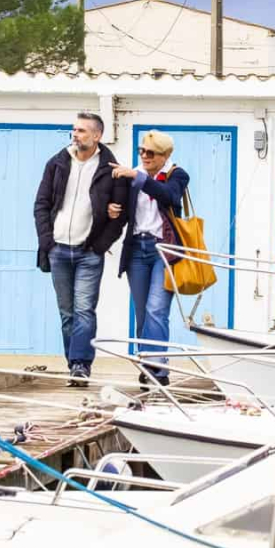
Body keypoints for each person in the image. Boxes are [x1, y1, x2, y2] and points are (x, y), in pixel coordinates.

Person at [34, 112, 128, 386]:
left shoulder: (112, 169)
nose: (76, 134)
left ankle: (80, 365)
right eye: (74, 130)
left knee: (85, 310)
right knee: (67, 313)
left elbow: (121, 214)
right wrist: (47, 241)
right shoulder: (57, 163)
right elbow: (41, 204)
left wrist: (100, 245)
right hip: (59, 249)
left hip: (89, 252)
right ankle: (72, 363)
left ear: (97, 136)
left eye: (82, 131)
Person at [109, 130, 189, 387]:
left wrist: (139, 178)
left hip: (163, 250)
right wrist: (110, 210)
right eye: (141, 151)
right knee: (143, 313)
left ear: (165, 155)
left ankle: (157, 370)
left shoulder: (176, 174)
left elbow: (170, 196)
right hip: (136, 250)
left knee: (157, 309)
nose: (144, 156)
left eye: (150, 152)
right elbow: (123, 213)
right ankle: (148, 364)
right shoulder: (132, 175)